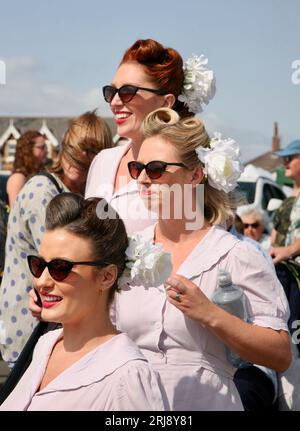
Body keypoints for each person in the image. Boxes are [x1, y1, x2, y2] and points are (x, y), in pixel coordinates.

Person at [113, 108, 291, 411]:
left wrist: (211, 314)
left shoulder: (237, 254)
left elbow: (280, 354)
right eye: (137, 168)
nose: (142, 179)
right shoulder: (128, 250)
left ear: (195, 174)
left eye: (155, 168)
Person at [0, 193, 165, 411]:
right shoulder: (45, 345)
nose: (42, 281)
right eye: (39, 265)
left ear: (106, 277)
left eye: (60, 268)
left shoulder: (127, 377)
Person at [0, 111, 113, 365]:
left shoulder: (79, 193)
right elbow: (61, 260)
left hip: (56, 325)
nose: (79, 160)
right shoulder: (43, 190)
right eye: (75, 150)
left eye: (91, 153)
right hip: (30, 326)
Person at [85, 38, 216, 232]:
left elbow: (200, 248)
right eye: (111, 92)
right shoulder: (102, 161)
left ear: (166, 102)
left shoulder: (185, 170)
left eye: (128, 91)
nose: (114, 102)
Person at [269, 140, 300, 351]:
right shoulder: (288, 200)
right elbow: (274, 237)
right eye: (284, 158)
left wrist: (288, 251)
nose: (284, 162)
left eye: (290, 158)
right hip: (284, 275)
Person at [6, 131, 48, 207]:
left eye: (45, 146)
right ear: (27, 150)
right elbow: (16, 213)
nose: (46, 151)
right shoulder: (18, 178)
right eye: (41, 147)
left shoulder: (41, 173)